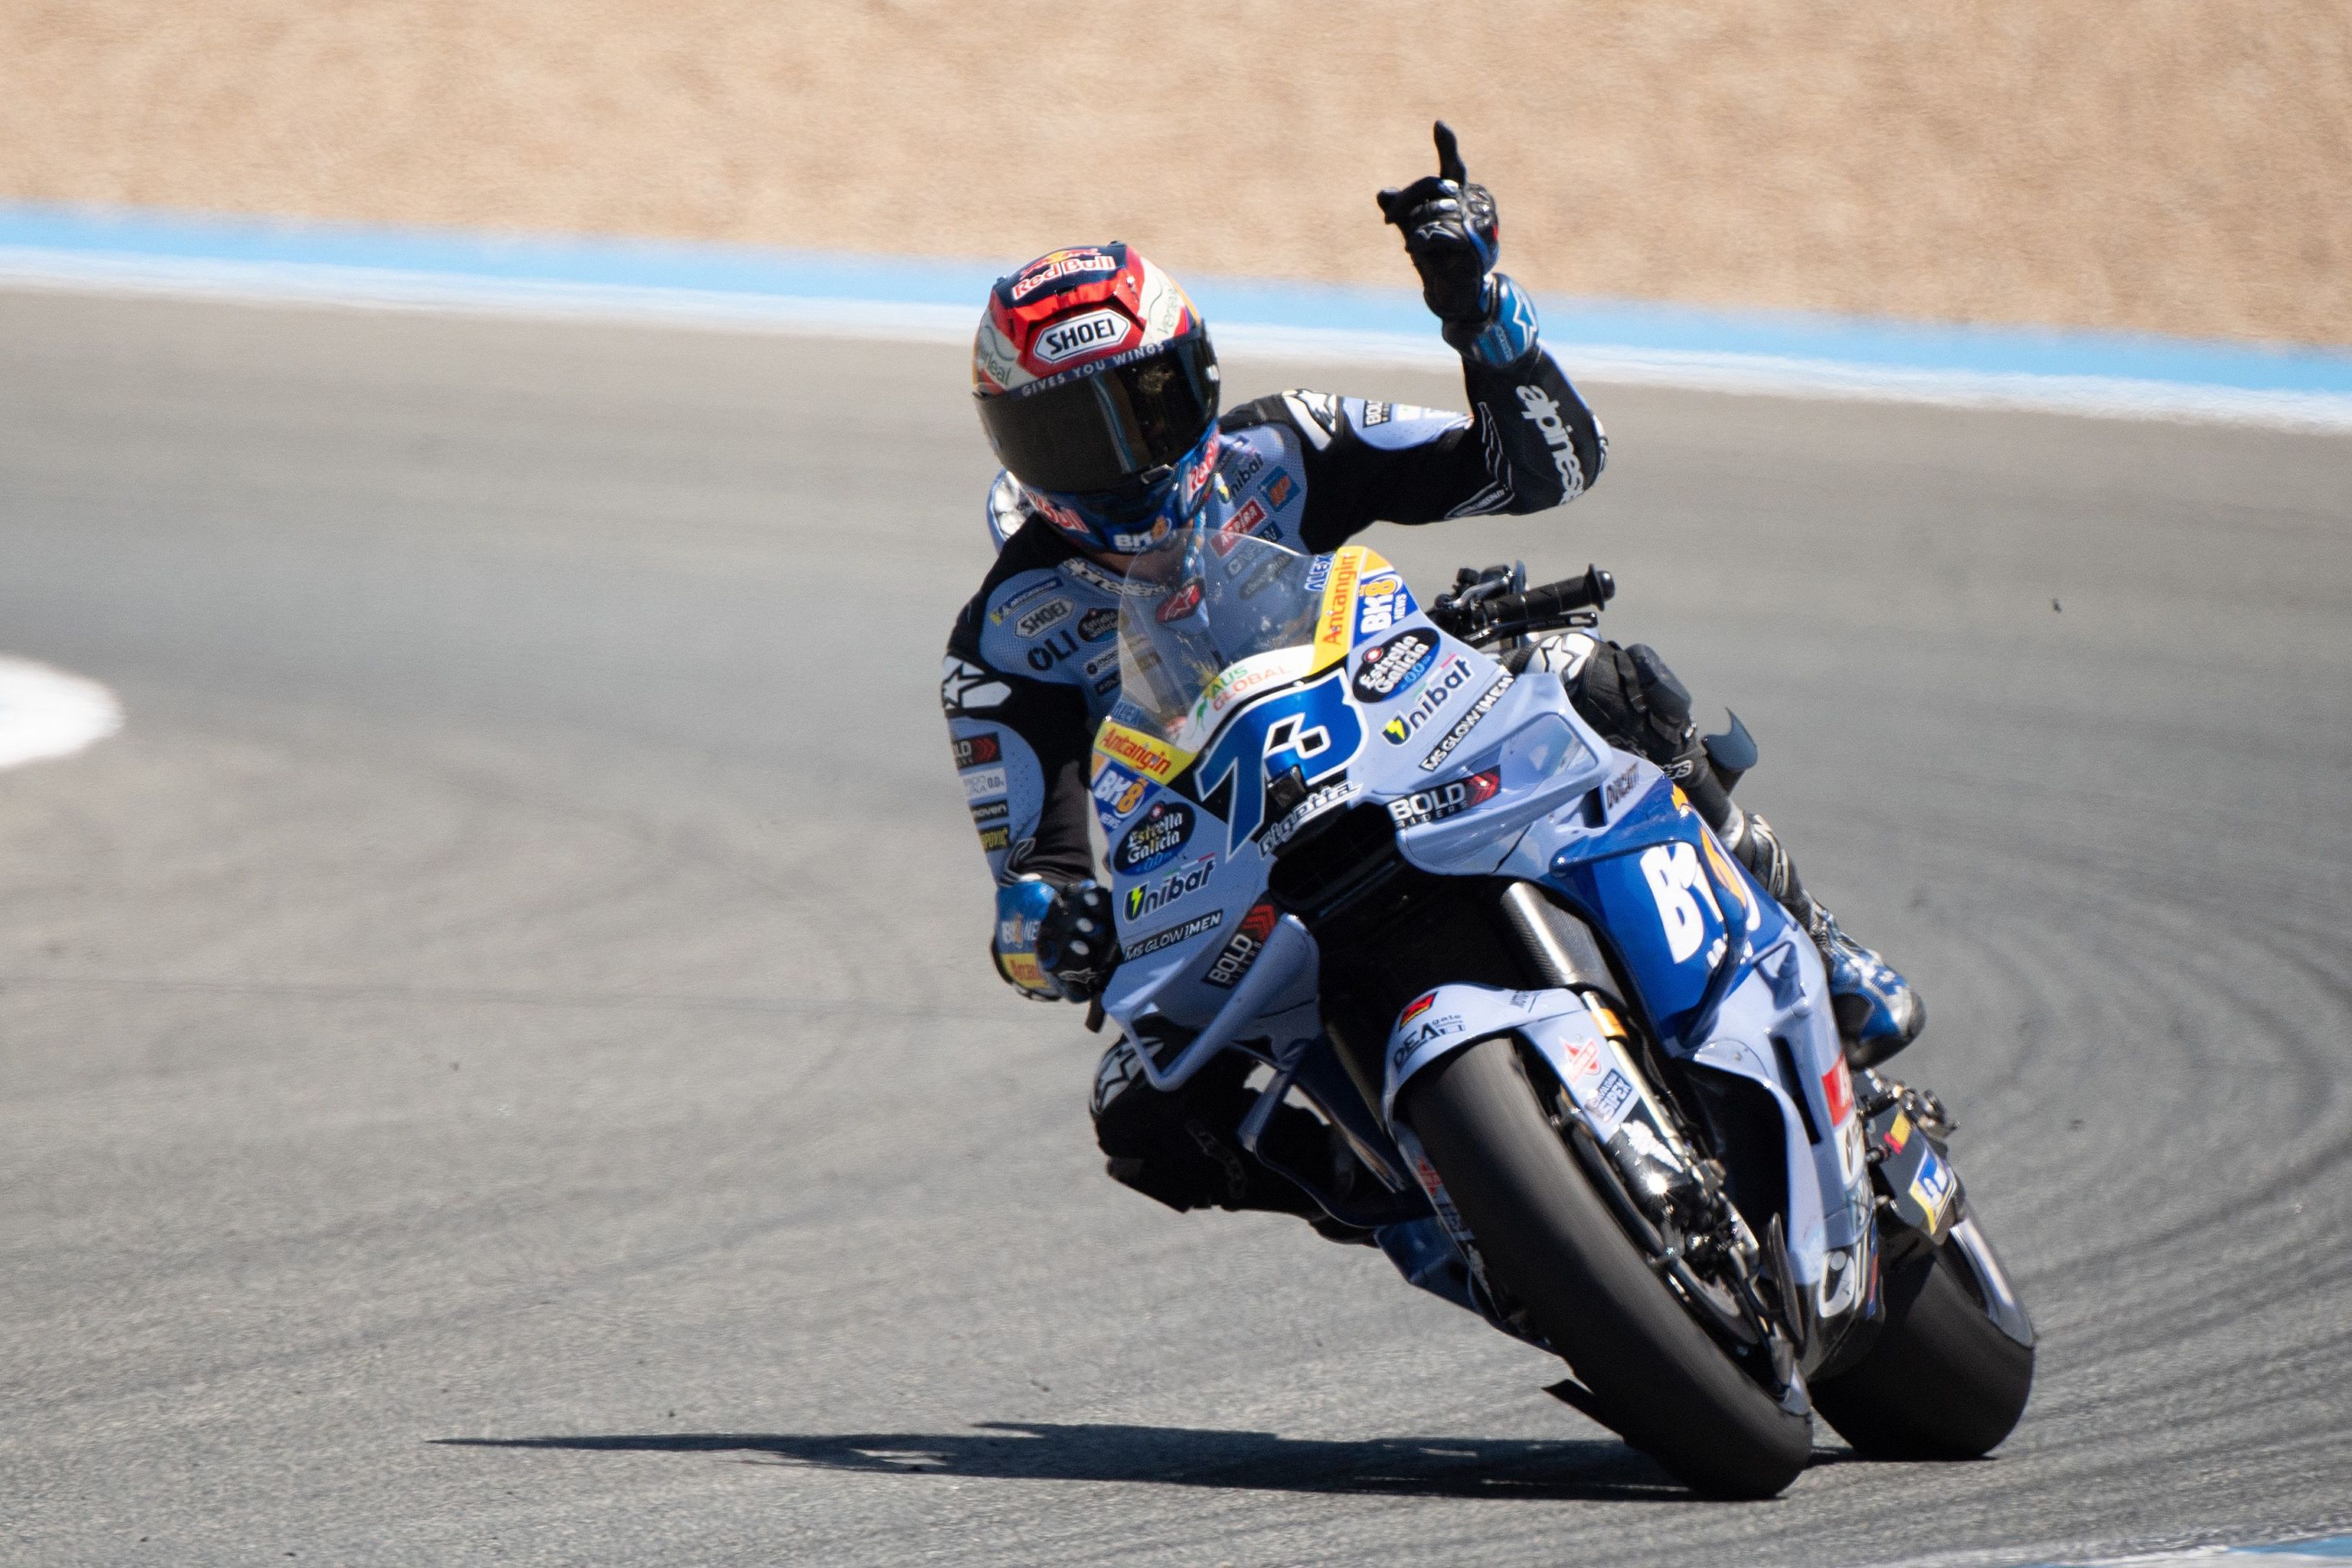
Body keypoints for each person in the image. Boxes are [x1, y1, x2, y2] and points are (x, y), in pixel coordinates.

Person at [940, 125, 1922, 1226]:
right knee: (1142, 1109)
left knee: (1596, 677)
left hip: (1403, 731)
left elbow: (1545, 469)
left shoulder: (1286, 446)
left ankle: (1817, 942)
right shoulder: (1004, 641)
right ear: (1010, 450)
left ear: (1202, 377)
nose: (1122, 459)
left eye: (1147, 405)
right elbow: (1031, 885)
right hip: (1227, 869)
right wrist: (1051, 933)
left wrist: (1480, 312)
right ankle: (1421, 1209)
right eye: (1070, 436)